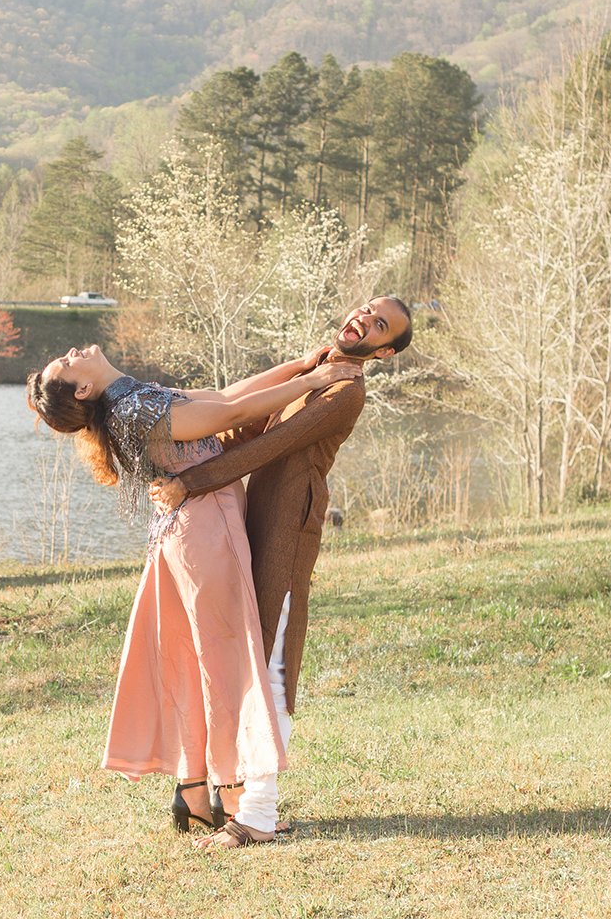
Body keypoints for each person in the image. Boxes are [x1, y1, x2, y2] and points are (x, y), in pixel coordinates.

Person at [27, 343, 362, 850]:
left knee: (195, 658)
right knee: (225, 663)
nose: (73, 351)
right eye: (67, 362)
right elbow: (234, 413)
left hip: (185, 533)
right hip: (205, 531)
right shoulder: (134, 407)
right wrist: (314, 384)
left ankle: (193, 789)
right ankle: (232, 800)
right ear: (82, 388)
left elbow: (227, 394)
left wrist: (303, 363)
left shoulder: (132, 396)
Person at [148, 296, 412, 839]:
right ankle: (223, 794)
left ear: (383, 352)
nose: (364, 318)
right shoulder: (317, 370)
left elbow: (272, 445)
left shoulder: (346, 391)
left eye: (379, 325)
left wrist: (190, 484)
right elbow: (245, 426)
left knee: (272, 666)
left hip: (287, 533)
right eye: (367, 309)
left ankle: (259, 814)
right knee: (242, 656)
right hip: (252, 518)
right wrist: (183, 451)